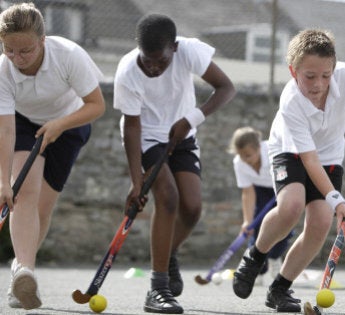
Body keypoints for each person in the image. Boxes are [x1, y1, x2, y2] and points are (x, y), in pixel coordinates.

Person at [231, 29, 345, 312]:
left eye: (326, 75)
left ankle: (279, 289)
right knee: (291, 206)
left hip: (330, 153)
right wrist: (337, 200)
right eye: (309, 76)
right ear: (293, 71)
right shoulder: (291, 102)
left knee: (320, 223)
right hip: (290, 148)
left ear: (334, 68)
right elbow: (308, 161)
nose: (318, 84)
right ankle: (256, 256)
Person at [113, 14, 235, 314]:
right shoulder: (128, 71)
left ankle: (166, 255)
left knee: (192, 209)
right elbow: (131, 127)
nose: (154, 67)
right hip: (147, 138)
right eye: (148, 60)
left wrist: (192, 118)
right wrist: (137, 180)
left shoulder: (190, 51)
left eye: (161, 60)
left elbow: (226, 88)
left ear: (175, 48)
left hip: (183, 133)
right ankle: (158, 288)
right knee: (167, 198)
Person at [0, 3, 105, 310]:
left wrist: (59, 124)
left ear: (42, 40)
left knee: (43, 208)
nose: (17, 59)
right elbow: (5, 130)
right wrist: (3, 182)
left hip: (71, 122)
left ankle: (19, 274)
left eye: (26, 51)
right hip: (23, 123)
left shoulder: (69, 55)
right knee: (24, 193)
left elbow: (96, 105)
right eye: (9, 50)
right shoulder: (3, 71)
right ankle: (24, 273)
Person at [228, 126, 294, 285]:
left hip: (282, 186)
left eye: (249, 155)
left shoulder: (273, 151)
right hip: (259, 191)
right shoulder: (239, 162)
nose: (246, 160)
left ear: (259, 147)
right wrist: (247, 221)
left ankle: (274, 257)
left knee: (284, 226)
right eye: (241, 156)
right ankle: (257, 269)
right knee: (256, 229)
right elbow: (248, 192)